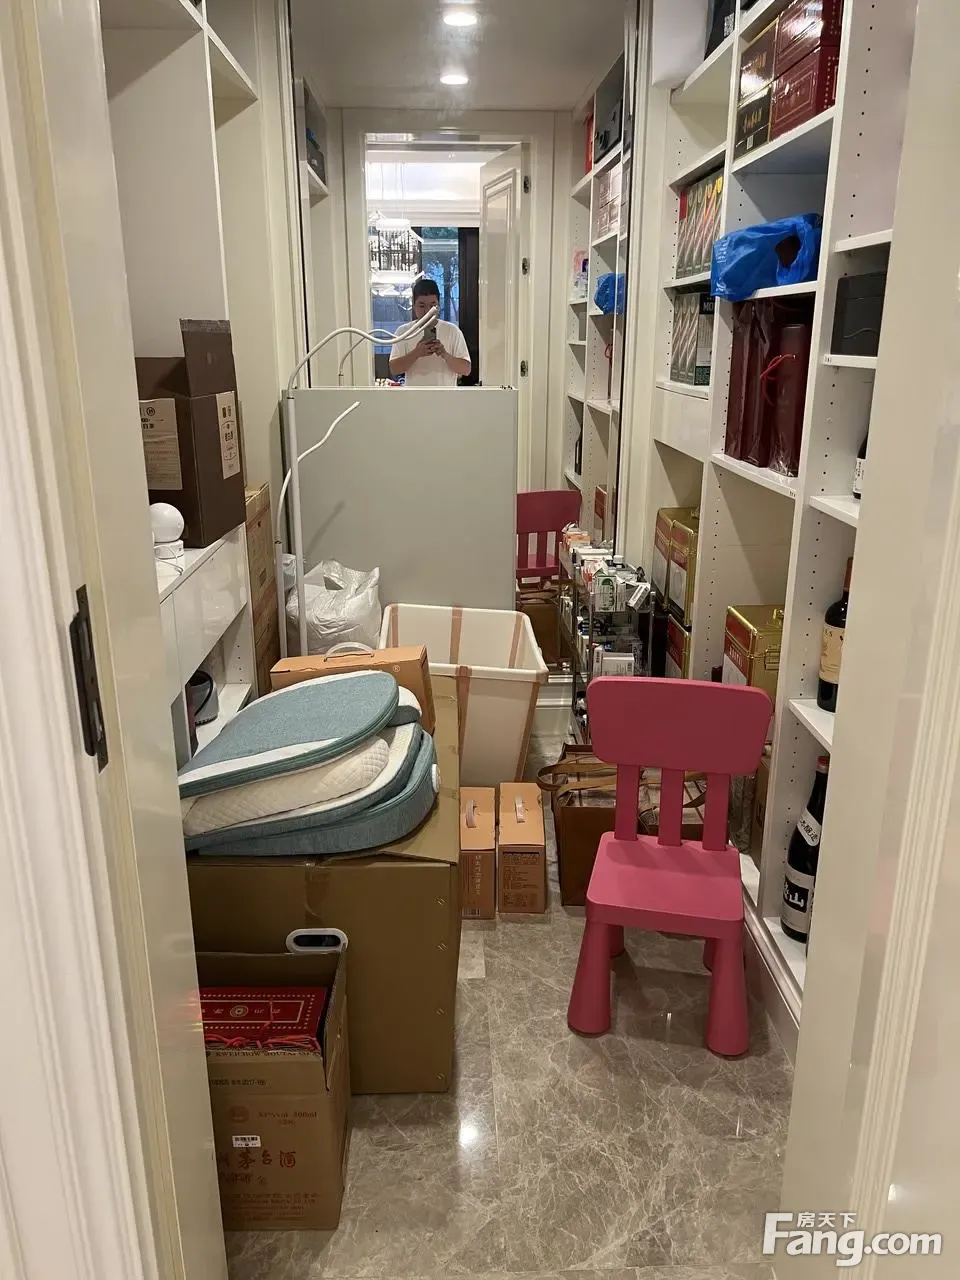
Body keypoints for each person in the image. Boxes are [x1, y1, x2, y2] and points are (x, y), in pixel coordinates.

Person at [389, 278, 471, 387]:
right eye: (422, 305)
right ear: (414, 306)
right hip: (414, 397)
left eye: (432, 305)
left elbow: (466, 370)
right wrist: (416, 353)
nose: (427, 311)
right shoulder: (403, 331)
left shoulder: (452, 331)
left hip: (446, 397)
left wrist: (444, 354)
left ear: (438, 305)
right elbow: (394, 369)